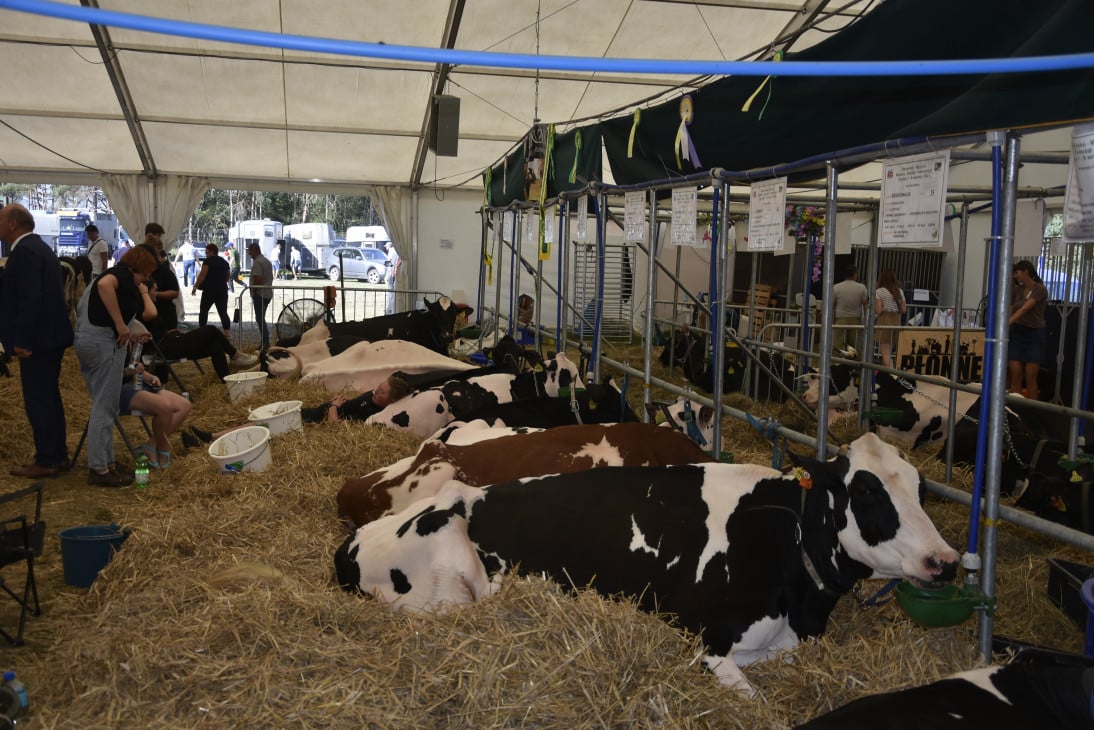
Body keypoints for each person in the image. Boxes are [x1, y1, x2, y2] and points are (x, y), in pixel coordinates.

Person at [0, 203, 75, 478]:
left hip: (38, 341)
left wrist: (22, 339)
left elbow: (30, 299)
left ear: (13, 223)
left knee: (39, 400)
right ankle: (57, 455)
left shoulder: (25, 252)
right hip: (49, 338)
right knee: (49, 398)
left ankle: (48, 459)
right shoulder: (40, 247)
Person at [74, 245, 158, 487]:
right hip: (102, 344)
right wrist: (121, 326)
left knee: (105, 404)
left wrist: (127, 332)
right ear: (139, 268)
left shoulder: (115, 274)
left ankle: (107, 462)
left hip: (91, 340)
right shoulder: (121, 275)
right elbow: (104, 286)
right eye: (145, 274)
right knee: (105, 406)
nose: (145, 280)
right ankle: (99, 468)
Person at [138, 237, 257, 381]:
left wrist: (169, 331)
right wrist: (145, 294)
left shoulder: (150, 302)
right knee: (211, 329)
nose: (157, 294)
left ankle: (227, 380)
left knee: (216, 346)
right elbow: (150, 317)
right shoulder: (145, 307)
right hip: (167, 346)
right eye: (154, 291)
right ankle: (235, 355)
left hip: (169, 340)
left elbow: (202, 275)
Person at [184, 374, 412, 446]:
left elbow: (336, 427)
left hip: (311, 423)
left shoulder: (372, 416)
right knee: (262, 422)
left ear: (391, 401)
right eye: (378, 387)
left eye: (381, 392)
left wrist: (334, 407)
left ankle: (211, 438)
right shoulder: (372, 399)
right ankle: (213, 438)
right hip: (313, 412)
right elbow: (356, 402)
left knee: (261, 427)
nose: (375, 391)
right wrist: (342, 401)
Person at [120, 356, 192, 469]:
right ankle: (163, 448)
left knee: (184, 406)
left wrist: (149, 377)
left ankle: (151, 445)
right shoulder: (109, 346)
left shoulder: (129, 346)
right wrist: (129, 371)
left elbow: (133, 365)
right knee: (164, 407)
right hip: (118, 389)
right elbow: (105, 374)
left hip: (137, 383)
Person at [1008, 260, 1048, 400]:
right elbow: (1011, 309)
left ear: (1026, 271)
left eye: (1017, 272)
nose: (1015, 276)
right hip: (1017, 333)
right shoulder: (1016, 290)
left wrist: (1008, 322)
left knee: (1030, 377)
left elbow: (1025, 308)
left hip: (1034, 335)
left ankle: (1032, 409)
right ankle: (1014, 407)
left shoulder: (1040, 289)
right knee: (1016, 373)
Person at [193, 243, 232, 336]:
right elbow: (228, 275)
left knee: (204, 310)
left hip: (209, 290)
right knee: (223, 312)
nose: (206, 254)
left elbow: (202, 275)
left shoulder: (208, 261)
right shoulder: (224, 261)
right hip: (222, 290)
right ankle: (227, 333)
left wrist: (195, 286)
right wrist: (222, 282)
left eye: (207, 252)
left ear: (212, 252)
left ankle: (202, 331)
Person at [831, 264, 869, 355]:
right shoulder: (862, 287)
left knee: (838, 345)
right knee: (855, 346)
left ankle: (838, 361)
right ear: (855, 274)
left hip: (840, 320)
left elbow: (832, 304)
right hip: (856, 320)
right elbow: (865, 305)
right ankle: (854, 362)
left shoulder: (836, 287)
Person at [874, 269, 907, 369]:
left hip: (884, 321)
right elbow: (904, 310)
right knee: (891, 352)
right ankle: (892, 371)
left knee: (885, 353)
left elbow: (878, 311)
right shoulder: (899, 291)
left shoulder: (879, 291)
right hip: (896, 322)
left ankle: (889, 374)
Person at [249, 242, 274, 350]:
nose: (249, 254)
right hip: (267, 293)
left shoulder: (257, 262)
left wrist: (254, 291)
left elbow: (257, 279)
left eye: (250, 251)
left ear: (255, 250)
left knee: (260, 318)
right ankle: (265, 341)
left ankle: (265, 342)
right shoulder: (267, 261)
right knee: (261, 317)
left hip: (260, 294)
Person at [384, 241, 401, 315]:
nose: (386, 248)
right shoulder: (396, 251)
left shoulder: (391, 251)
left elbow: (389, 262)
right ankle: (390, 309)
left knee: (390, 293)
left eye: (386, 247)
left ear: (389, 246)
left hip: (391, 273)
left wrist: (387, 268)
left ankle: (390, 310)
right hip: (394, 273)